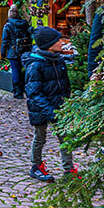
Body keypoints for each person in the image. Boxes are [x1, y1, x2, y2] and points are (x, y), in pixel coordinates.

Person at [23, 26, 77, 182]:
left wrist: (66, 102)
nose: (62, 42)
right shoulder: (35, 65)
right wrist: (50, 111)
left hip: (59, 106)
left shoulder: (59, 60)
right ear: (49, 44)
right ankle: (36, 166)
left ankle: (68, 169)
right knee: (40, 137)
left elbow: (65, 84)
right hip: (41, 108)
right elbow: (34, 93)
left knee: (65, 138)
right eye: (58, 40)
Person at [1, 4, 33, 99]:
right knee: (26, 70)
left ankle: (18, 92)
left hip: (13, 51)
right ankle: (28, 89)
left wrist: (2, 52)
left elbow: (5, 40)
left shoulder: (8, 25)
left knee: (15, 71)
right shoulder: (24, 23)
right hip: (25, 50)